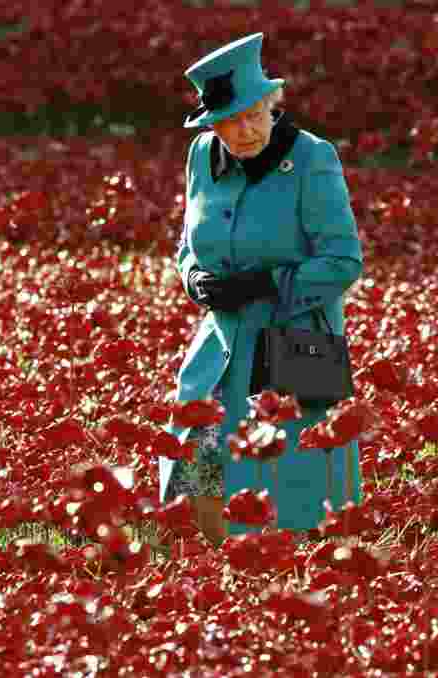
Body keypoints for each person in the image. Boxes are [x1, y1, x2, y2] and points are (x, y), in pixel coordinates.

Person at [159, 32, 365, 546]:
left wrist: (269, 283)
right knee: (197, 454)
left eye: (255, 114)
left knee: (292, 477)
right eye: (230, 121)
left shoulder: (312, 159)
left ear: (275, 105)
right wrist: (194, 278)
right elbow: (188, 243)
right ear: (213, 124)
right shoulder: (201, 157)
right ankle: (211, 566)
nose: (246, 129)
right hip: (222, 342)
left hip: (293, 342)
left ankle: (289, 585)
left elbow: (342, 261)